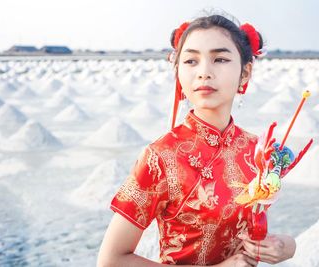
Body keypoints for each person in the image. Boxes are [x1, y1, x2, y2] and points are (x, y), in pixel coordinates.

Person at [97, 13, 296, 267]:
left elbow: (253, 226)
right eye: (191, 60)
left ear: (245, 73)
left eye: (220, 59)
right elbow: (111, 261)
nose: (204, 72)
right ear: (178, 70)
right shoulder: (161, 157)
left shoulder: (258, 150)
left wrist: (287, 246)